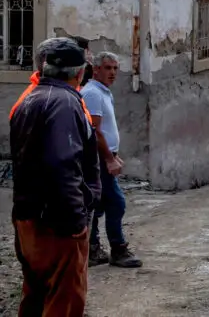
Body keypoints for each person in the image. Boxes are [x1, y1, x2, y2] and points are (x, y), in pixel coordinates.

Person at [10, 37, 101, 317]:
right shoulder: (65, 104)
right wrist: (75, 221)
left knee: (36, 295)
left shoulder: (29, 99)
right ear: (80, 72)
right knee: (64, 300)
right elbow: (62, 164)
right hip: (57, 223)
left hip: (29, 217)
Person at [80, 52, 141, 268]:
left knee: (99, 204)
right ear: (96, 70)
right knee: (115, 202)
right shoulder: (93, 94)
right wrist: (108, 158)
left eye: (115, 68)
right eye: (107, 68)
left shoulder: (103, 91)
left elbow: (104, 129)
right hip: (97, 159)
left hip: (105, 156)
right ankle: (118, 249)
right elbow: (94, 131)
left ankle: (93, 249)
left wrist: (114, 154)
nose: (113, 73)